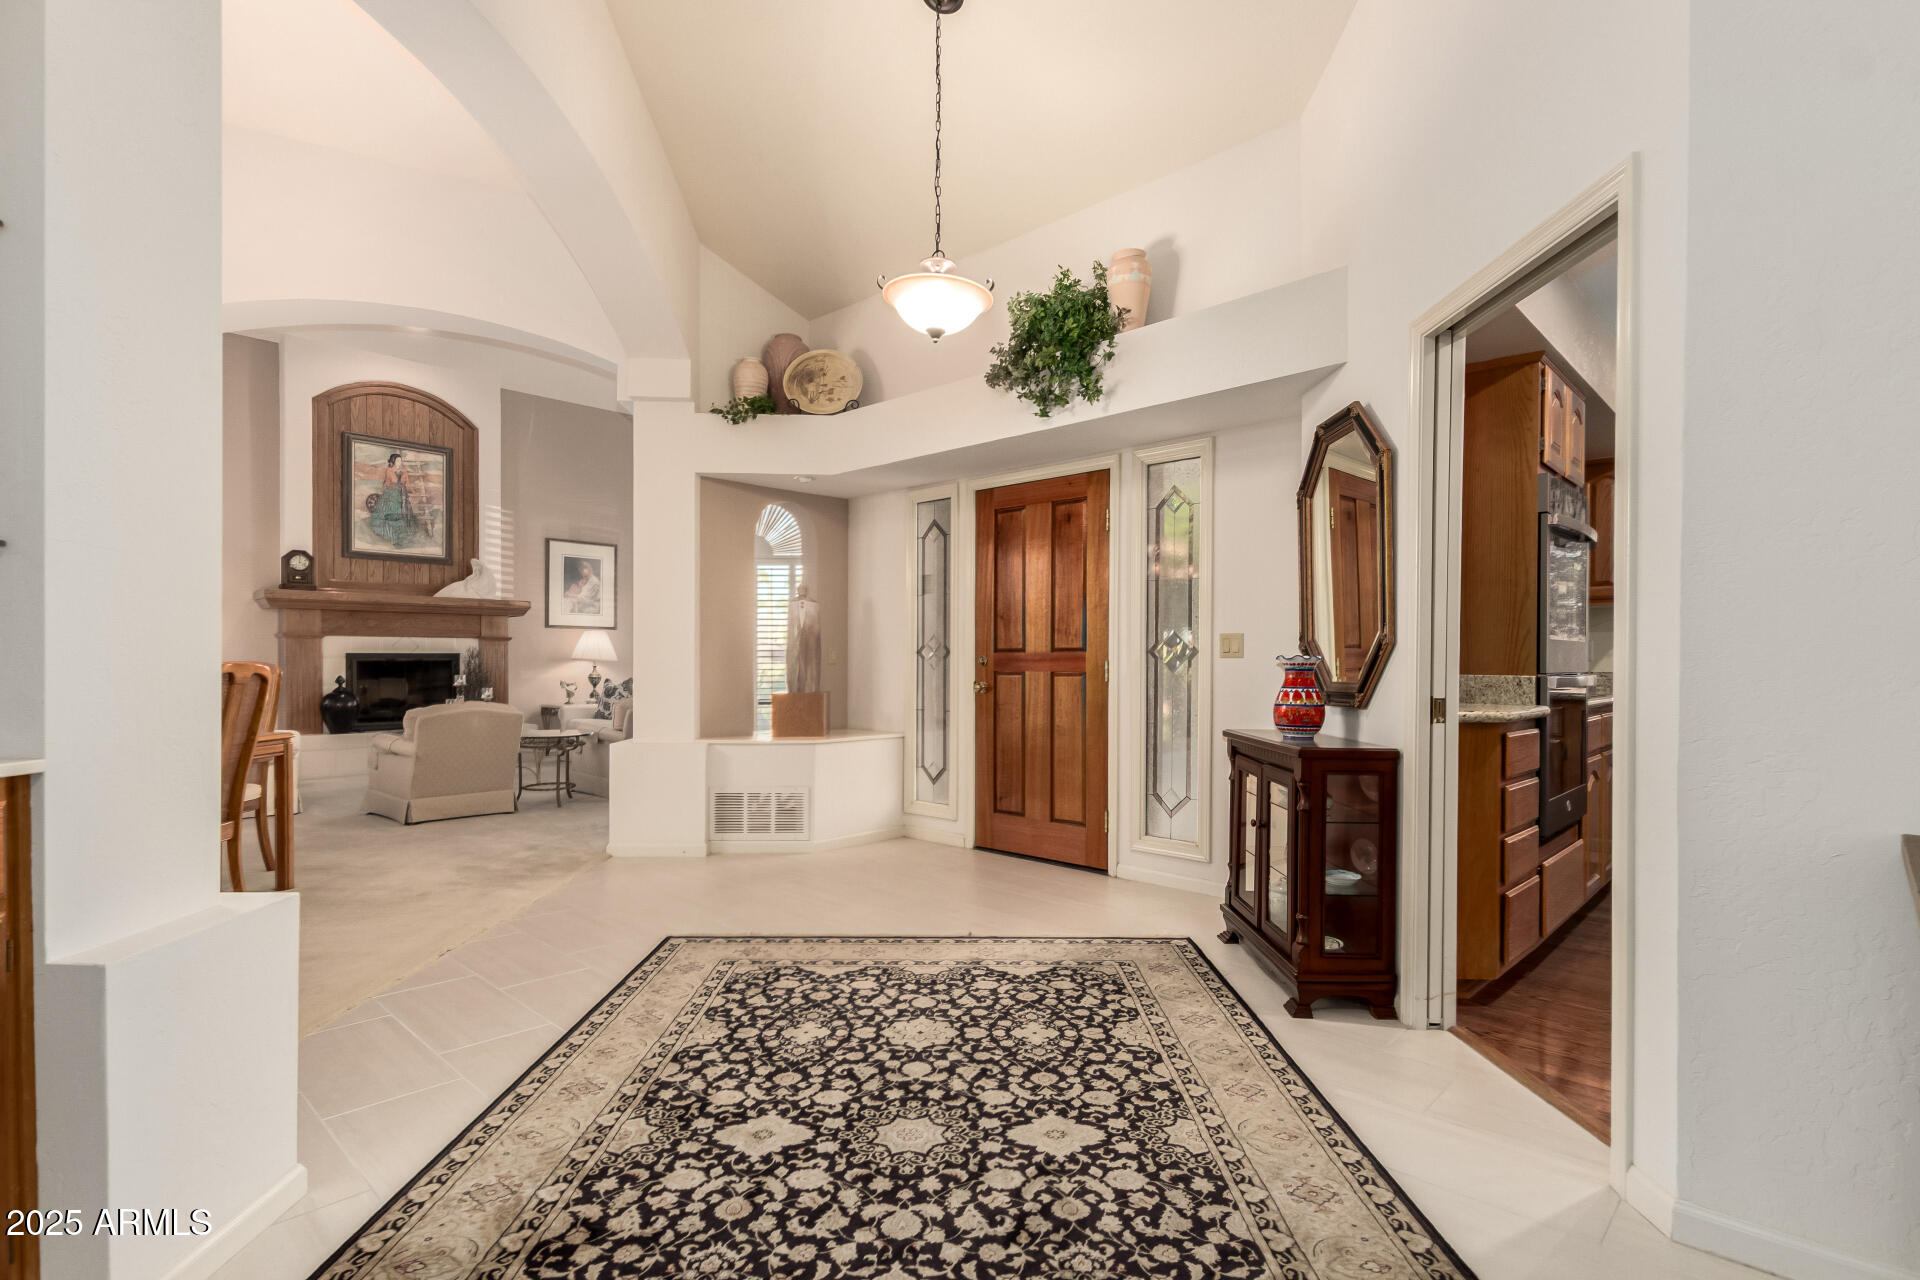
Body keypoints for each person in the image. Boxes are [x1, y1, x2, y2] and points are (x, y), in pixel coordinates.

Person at [368, 452, 416, 547]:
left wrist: (412, 490)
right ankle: (392, 535)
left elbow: (407, 483)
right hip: (391, 493)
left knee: (403, 514)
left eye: (400, 460)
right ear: (393, 461)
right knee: (391, 514)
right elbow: (387, 482)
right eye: (398, 460)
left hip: (402, 494)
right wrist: (383, 490)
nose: (400, 462)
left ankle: (401, 536)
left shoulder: (405, 471)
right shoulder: (389, 470)